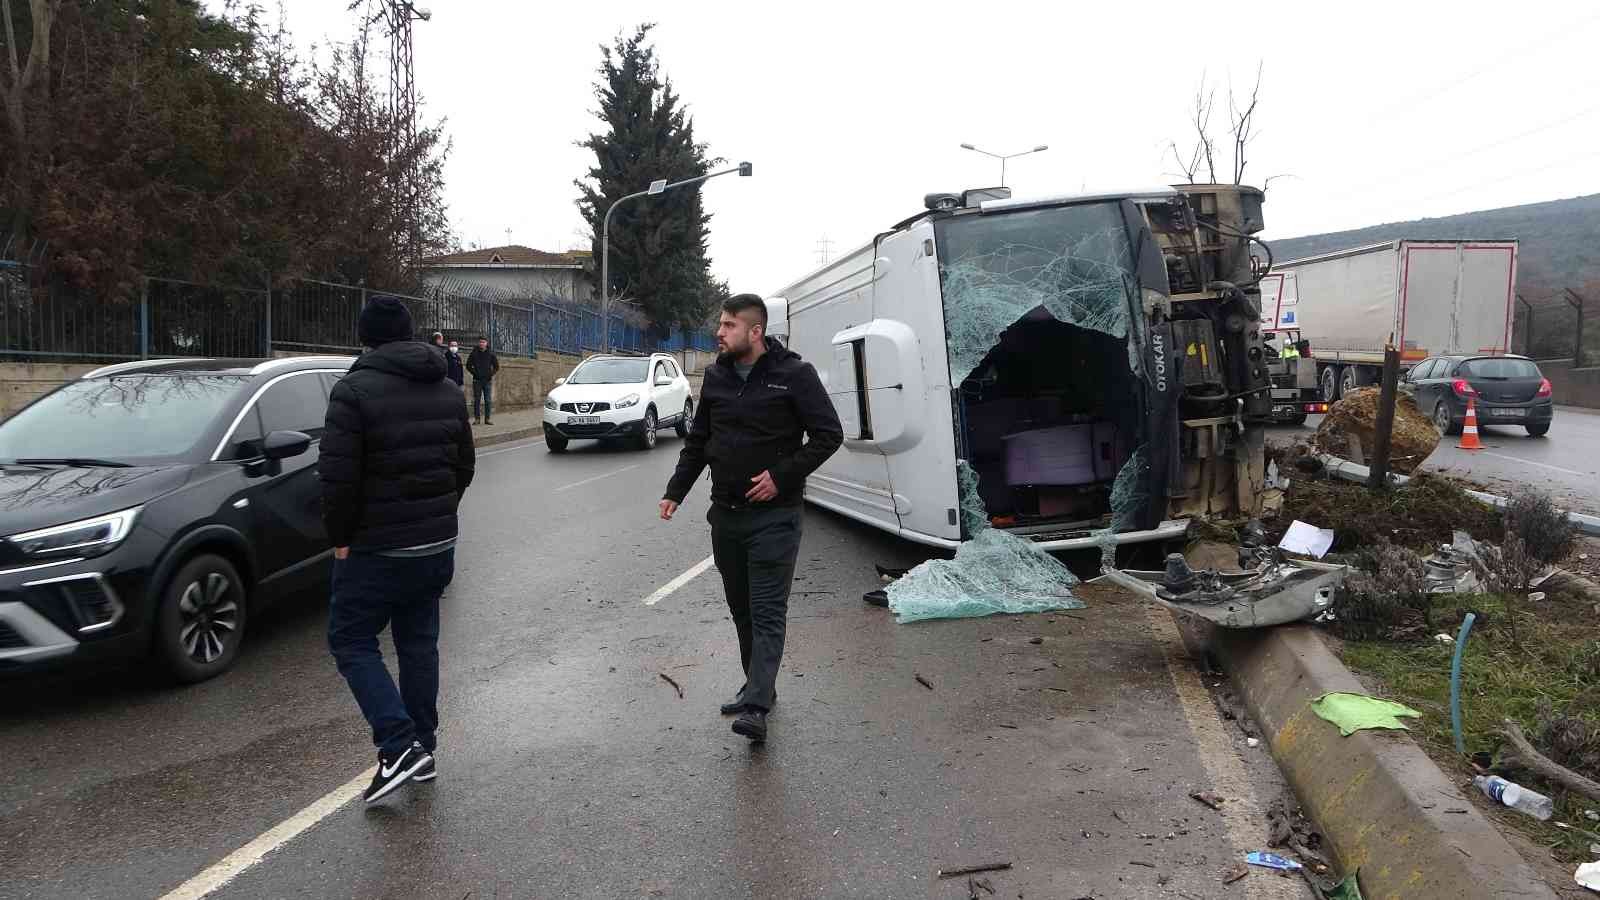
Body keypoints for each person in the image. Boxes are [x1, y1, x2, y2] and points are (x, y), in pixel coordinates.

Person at [659, 294, 843, 743]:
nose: (718, 333)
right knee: (741, 609)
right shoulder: (717, 376)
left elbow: (828, 435)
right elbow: (699, 440)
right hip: (726, 516)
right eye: (720, 325)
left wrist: (782, 477)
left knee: (766, 611)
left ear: (755, 331)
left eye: (727, 326)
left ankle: (757, 706)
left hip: (775, 517)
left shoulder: (794, 376)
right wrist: (675, 492)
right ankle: (758, 687)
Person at [321, 295, 476, 804]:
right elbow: (463, 468)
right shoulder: (449, 390)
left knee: (351, 640)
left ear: (364, 338)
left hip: (375, 548)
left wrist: (341, 539)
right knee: (418, 643)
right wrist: (437, 512)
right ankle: (423, 748)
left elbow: (338, 480)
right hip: (435, 544)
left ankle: (399, 744)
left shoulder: (353, 392)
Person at [466, 337, 499, 425]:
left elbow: (496, 367)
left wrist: (490, 374)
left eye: (483, 342)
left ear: (486, 343)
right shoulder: (474, 353)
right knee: (477, 400)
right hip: (477, 380)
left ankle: (487, 419)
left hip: (487, 381)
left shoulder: (491, 354)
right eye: (480, 342)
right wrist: (475, 373)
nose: (481, 344)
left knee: (488, 400)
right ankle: (477, 419)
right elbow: (468, 365)